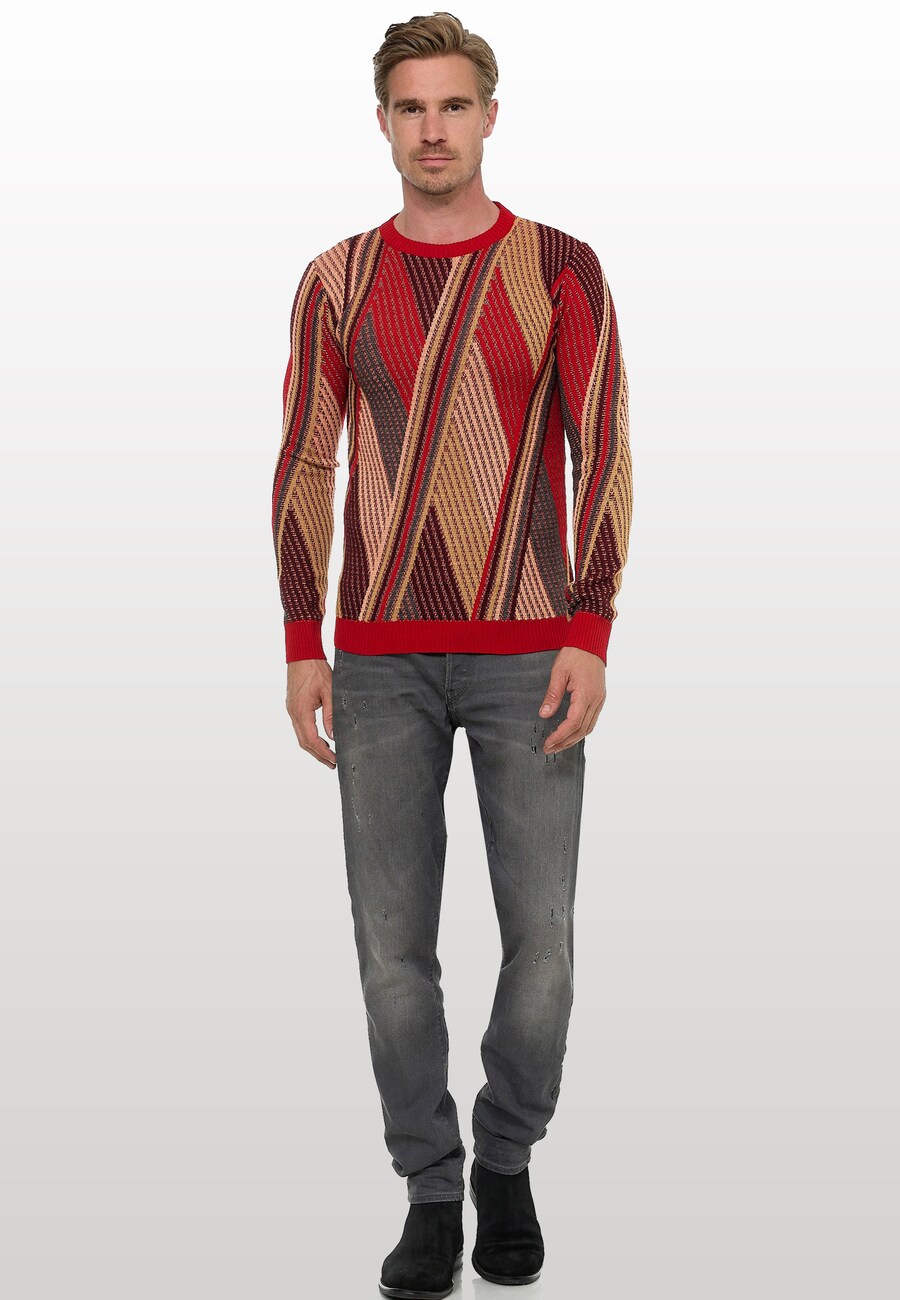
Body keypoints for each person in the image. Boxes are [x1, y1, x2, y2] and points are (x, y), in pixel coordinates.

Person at [271, 13, 632, 1297]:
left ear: (489, 116)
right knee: (390, 946)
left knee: (543, 943)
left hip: (531, 651)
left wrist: (589, 627)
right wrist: (301, 639)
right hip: (376, 658)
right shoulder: (336, 279)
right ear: (383, 122)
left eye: (454, 105)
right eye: (411, 108)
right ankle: (431, 1186)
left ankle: (507, 1157)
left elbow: (604, 448)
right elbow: (306, 460)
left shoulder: (561, 268)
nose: (434, 130)